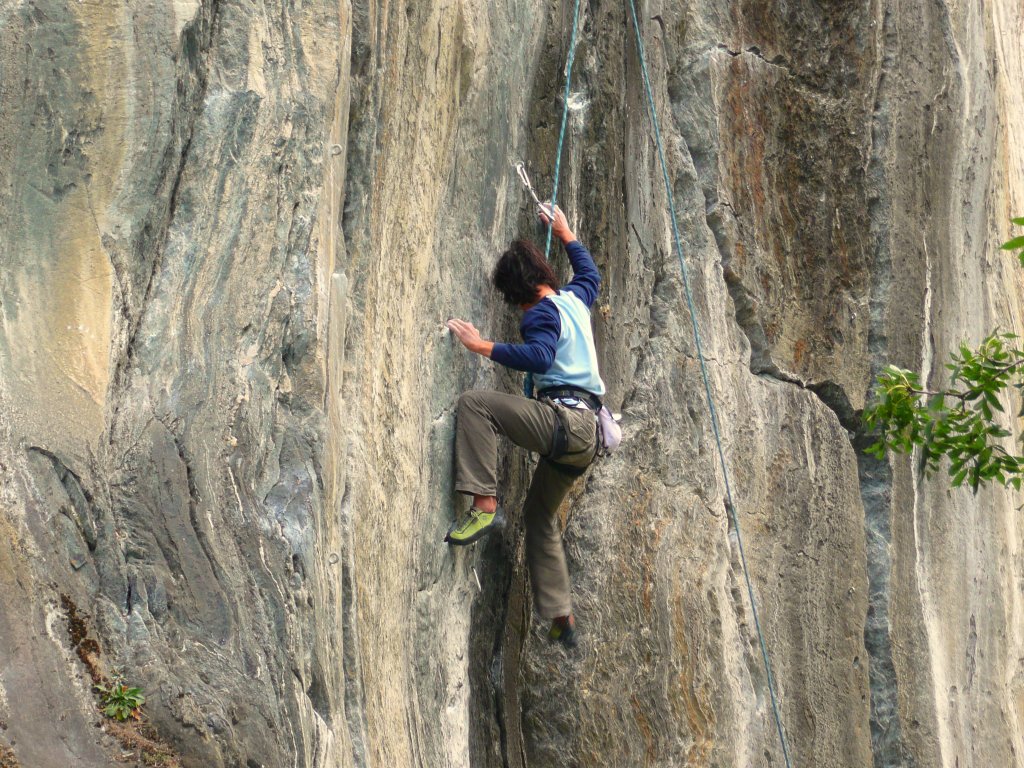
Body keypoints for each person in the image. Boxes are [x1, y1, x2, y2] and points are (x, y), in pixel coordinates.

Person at [445, 204, 606, 649]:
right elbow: (590, 275)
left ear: (520, 292)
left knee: (476, 405)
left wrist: (482, 346)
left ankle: (484, 504)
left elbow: (539, 357)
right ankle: (561, 615)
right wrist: (566, 232)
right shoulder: (575, 300)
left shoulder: (539, 313)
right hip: (587, 436)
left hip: (564, 422)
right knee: (540, 516)